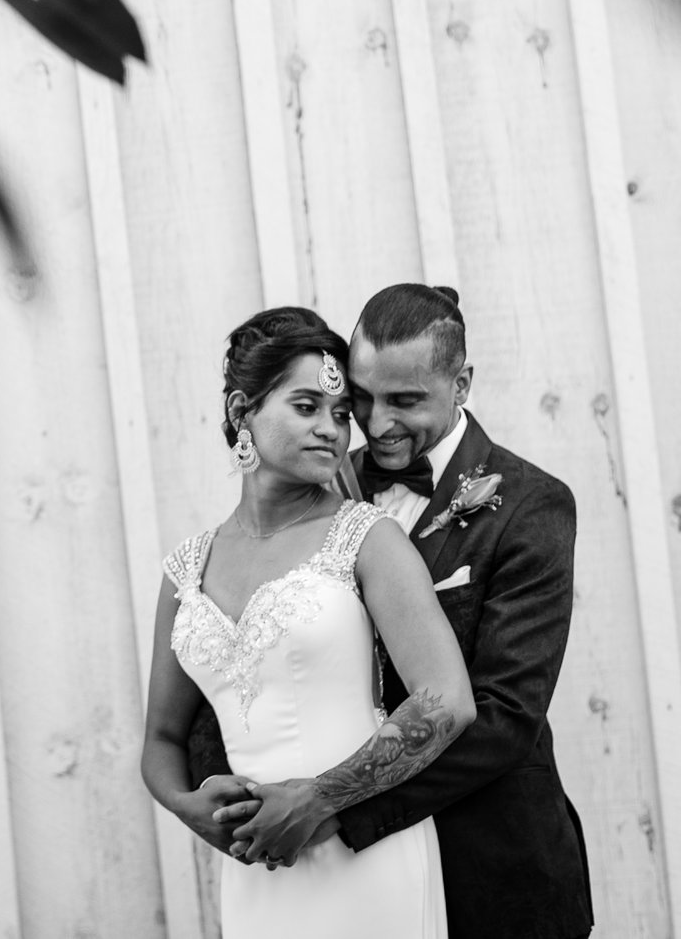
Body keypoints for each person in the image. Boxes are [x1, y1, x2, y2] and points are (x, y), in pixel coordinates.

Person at [250, 282, 594, 939]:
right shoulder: (316, 486)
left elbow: (504, 716)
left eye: (406, 400)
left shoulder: (532, 505)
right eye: (361, 397)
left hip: (492, 873)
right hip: (351, 886)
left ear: (461, 383)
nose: (377, 424)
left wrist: (335, 805)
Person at [142, 306, 471, 939]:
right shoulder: (185, 568)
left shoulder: (367, 539)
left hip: (362, 854)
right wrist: (188, 809)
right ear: (243, 411)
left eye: (341, 414)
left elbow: (447, 702)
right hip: (254, 868)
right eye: (306, 407)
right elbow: (160, 737)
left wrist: (320, 797)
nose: (333, 430)